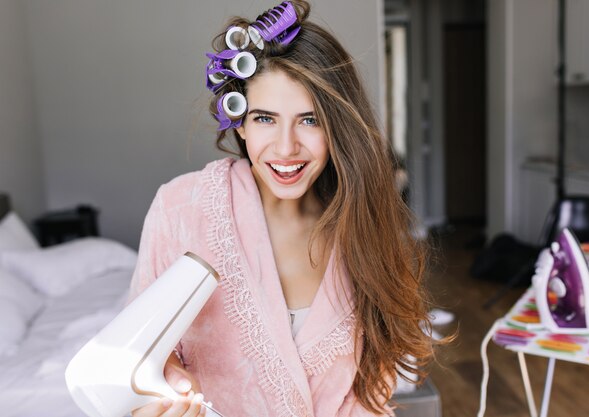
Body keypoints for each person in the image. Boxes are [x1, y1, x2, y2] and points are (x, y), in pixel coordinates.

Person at [129, 1, 436, 416]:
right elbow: (141, 353)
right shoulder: (180, 210)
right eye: (264, 119)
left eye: (309, 120)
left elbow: (373, 385)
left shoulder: (361, 226)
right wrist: (164, 385)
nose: (287, 147)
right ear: (238, 121)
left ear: (336, 126)